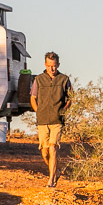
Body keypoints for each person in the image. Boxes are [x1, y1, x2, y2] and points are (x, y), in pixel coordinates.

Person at [30, 51, 72, 187]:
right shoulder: (39, 79)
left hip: (57, 120)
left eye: (54, 66)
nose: (51, 69)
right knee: (45, 151)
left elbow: (70, 97)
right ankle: (56, 171)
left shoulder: (64, 79)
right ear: (45, 65)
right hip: (42, 120)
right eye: (49, 66)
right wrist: (38, 111)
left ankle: (51, 180)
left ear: (58, 65)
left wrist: (63, 111)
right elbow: (33, 98)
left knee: (53, 147)